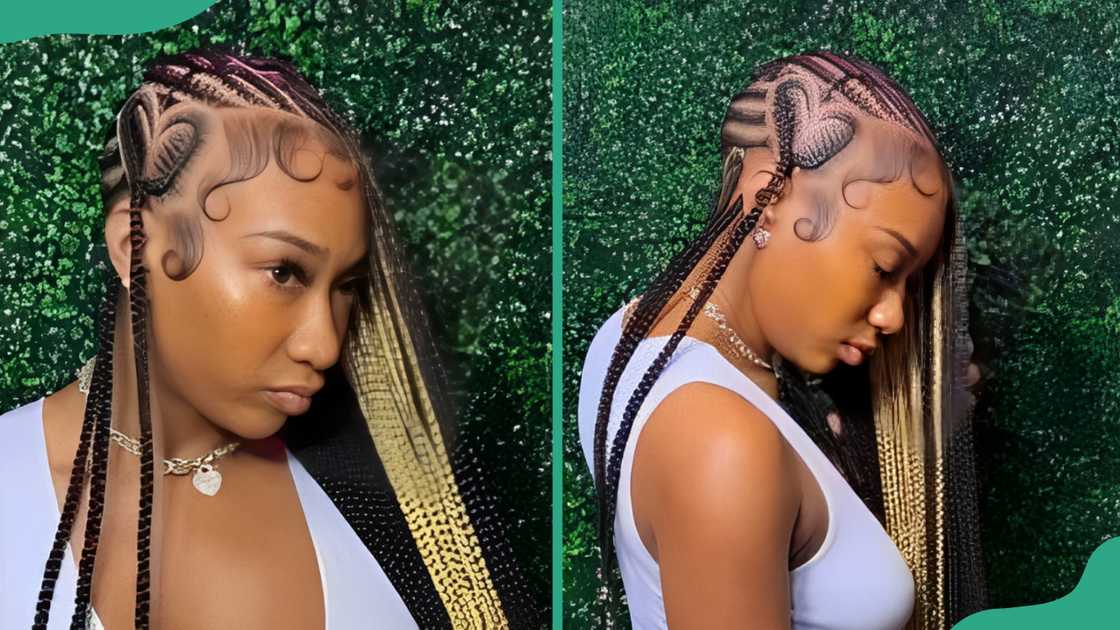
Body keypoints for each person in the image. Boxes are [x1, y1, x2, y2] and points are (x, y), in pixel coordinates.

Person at [0, 48, 537, 629]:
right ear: (137, 250)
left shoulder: (414, 512)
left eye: (346, 287)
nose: (325, 347)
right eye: (284, 272)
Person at [578, 50, 985, 629]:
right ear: (767, 196)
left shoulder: (633, 333)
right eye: (883, 265)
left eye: (910, 284)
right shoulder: (721, 443)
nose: (895, 315)